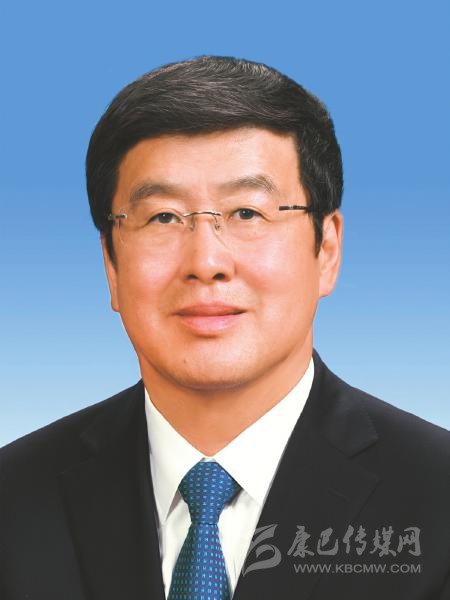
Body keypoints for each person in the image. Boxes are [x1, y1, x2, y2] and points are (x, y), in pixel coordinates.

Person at [1, 56, 449, 600]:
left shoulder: (437, 496)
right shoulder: (14, 498)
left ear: (327, 249)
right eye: (163, 217)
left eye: (247, 213)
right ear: (111, 266)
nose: (206, 262)